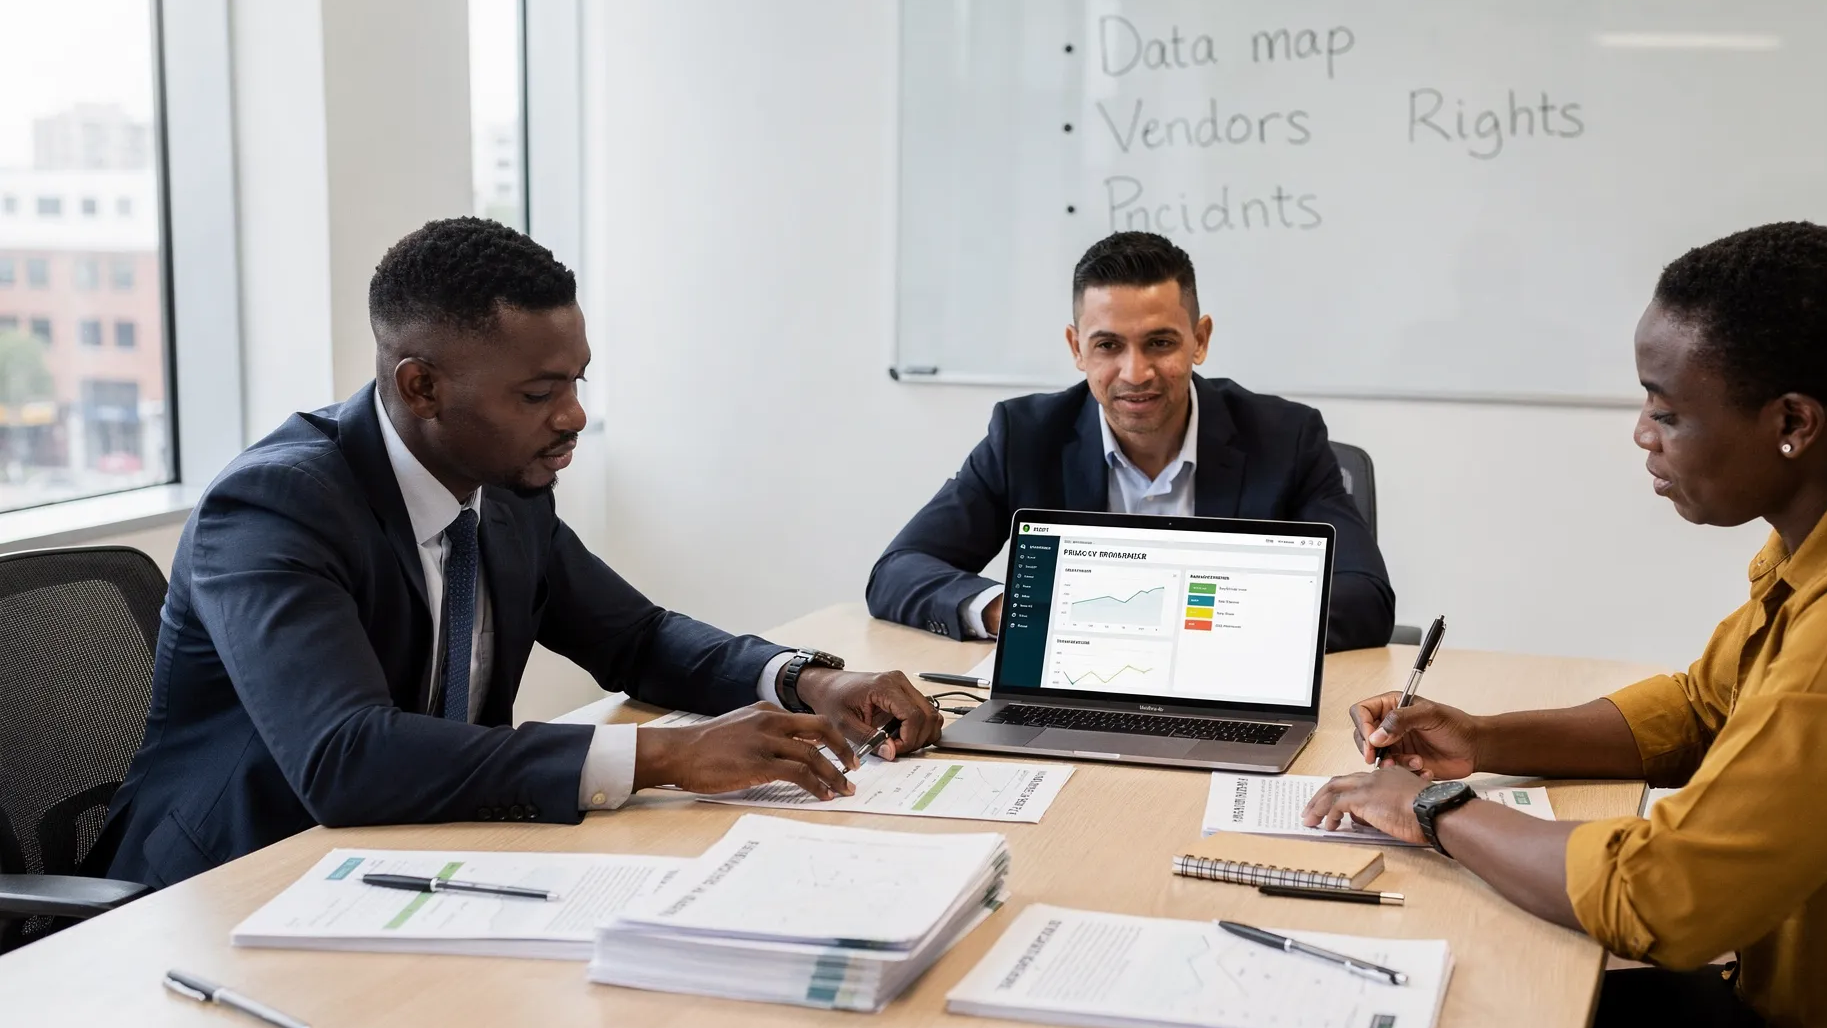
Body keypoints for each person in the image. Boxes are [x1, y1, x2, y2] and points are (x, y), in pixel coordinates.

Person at [1301, 222, 1827, 1028]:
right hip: (1809, 997)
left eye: (1667, 410)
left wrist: (1436, 808)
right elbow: (1702, 707)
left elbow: (1663, 898)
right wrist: (1481, 737)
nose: (1642, 435)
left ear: (1794, 424)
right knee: (1490, 1017)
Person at [100, 218, 939, 888]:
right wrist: (668, 755)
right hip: (232, 889)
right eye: (540, 393)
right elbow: (345, 757)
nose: (572, 416)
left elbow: (635, 638)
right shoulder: (276, 507)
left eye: (577, 381)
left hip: (422, 865)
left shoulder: (501, 488)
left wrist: (811, 680)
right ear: (420, 386)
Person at [867, 231, 1396, 650]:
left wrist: (1188, 622)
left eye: (1160, 343)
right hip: (1080, 689)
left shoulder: (1285, 437)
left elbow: (1363, 597)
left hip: (1222, 685)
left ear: (1200, 340)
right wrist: (1012, 610)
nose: (1135, 372)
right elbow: (898, 571)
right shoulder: (1023, 437)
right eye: (1108, 345)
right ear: (1077, 348)